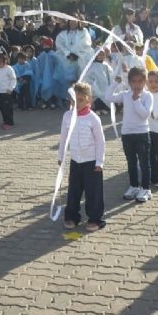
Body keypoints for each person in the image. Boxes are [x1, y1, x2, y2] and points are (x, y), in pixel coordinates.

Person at [58, 82, 106, 231]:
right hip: (75, 160)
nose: (77, 103)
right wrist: (61, 157)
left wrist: (100, 161)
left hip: (92, 162)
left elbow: (100, 141)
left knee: (93, 192)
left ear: (89, 100)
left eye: (81, 100)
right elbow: (63, 138)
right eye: (74, 100)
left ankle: (95, 218)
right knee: (73, 190)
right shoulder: (67, 116)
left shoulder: (93, 119)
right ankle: (72, 216)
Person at [106, 67, 153, 203]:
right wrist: (115, 83)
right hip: (127, 133)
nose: (136, 85)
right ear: (129, 82)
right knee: (131, 162)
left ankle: (145, 188)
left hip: (142, 133)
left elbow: (145, 115)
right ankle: (134, 186)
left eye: (140, 81)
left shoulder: (147, 96)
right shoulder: (125, 94)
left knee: (144, 163)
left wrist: (136, 100)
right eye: (133, 81)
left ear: (144, 82)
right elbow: (108, 97)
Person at [0, 52, 16, 129]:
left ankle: (10, 122)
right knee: (1, 107)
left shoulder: (9, 69)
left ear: (5, 61)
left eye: (0, 62)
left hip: (7, 92)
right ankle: (5, 120)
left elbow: (13, 79)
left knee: (7, 108)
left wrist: (11, 88)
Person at [83, 49, 113, 115]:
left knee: (106, 97)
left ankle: (104, 108)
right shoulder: (92, 65)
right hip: (95, 87)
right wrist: (94, 85)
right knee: (98, 97)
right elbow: (88, 77)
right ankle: (97, 109)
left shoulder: (106, 65)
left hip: (105, 87)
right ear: (95, 55)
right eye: (99, 55)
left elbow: (111, 75)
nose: (101, 56)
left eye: (103, 55)